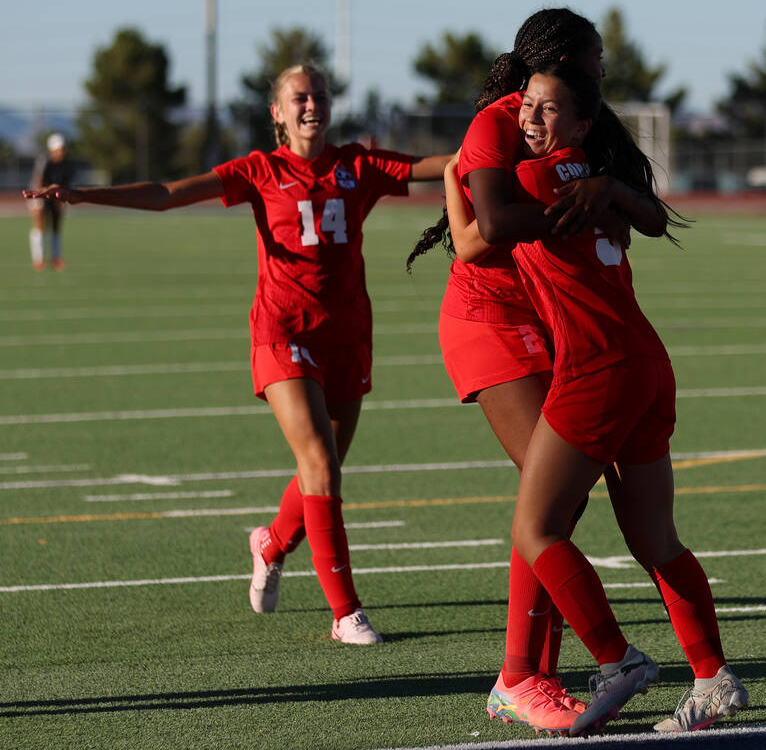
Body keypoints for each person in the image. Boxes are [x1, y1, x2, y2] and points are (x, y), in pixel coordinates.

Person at [24, 64, 451, 645]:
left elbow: (450, 166)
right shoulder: (260, 170)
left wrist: (514, 144)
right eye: (298, 97)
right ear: (276, 112)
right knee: (320, 465)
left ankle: (271, 543)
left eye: (319, 95)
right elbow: (168, 194)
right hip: (283, 331)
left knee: (320, 470)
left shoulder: (358, 164)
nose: (311, 105)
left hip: (348, 335)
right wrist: (82, 193)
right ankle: (345, 612)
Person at [450, 60, 748, 736]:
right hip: (647, 362)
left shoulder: (528, 178)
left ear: (581, 124)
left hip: (597, 367)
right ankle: (711, 677)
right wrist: (611, 184)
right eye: (525, 106)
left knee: (537, 529)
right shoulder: (600, 184)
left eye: (547, 110)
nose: (528, 119)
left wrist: (453, 176)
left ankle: (617, 660)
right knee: (655, 538)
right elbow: (650, 216)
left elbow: (483, 233)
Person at [408, 8, 673, 733]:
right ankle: (525, 676)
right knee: (546, 499)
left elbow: (638, 217)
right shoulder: (503, 120)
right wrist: (588, 212)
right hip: (489, 319)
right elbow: (487, 230)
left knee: (556, 504)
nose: (602, 71)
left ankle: (530, 674)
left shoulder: (585, 122)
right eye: (594, 59)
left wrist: (611, 201)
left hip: (546, 319)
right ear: (557, 58)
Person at [28, 133, 75, 271]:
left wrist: (61, 199)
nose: (62, 152)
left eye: (63, 149)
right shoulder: (44, 161)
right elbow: (38, 181)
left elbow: (66, 182)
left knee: (56, 224)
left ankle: (56, 257)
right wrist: (40, 199)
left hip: (56, 194)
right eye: (59, 149)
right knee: (40, 224)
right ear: (52, 150)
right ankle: (38, 258)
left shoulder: (68, 164)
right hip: (39, 193)